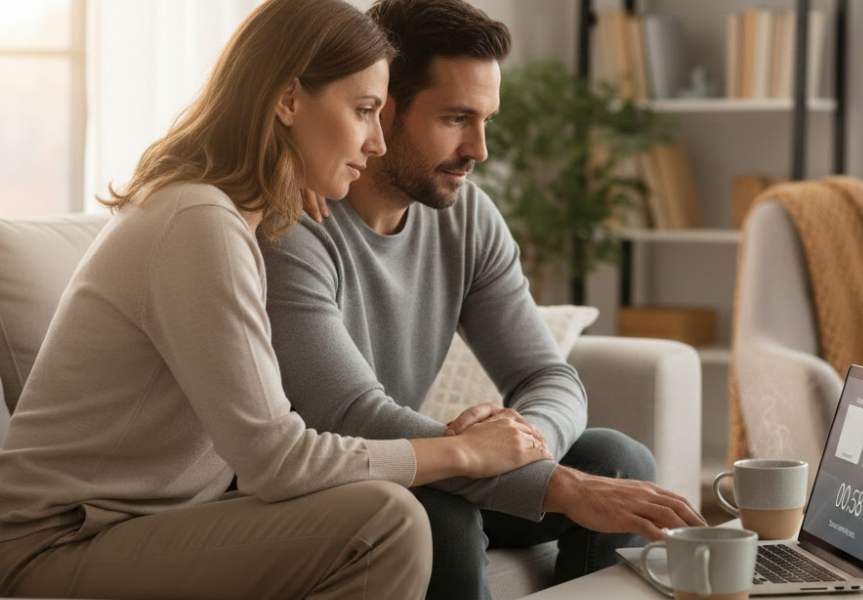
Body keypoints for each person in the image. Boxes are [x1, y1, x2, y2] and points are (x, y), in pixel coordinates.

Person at [0, 1, 551, 598]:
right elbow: (278, 460)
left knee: (393, 509)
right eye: (364, 110)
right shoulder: (197, 221)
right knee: (384, 522)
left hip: (150, 523)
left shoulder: (231, 215)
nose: (376, 142)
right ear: (289, 101)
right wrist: (465, 452)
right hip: (57, 542)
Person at [260, 1, 705, 598]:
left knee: (617, 460)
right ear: (381, 107)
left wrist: (523, 441)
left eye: (486, 120)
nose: (480, 149)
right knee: (439, 516)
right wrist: (525, 473)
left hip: (427, 464)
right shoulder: (293, 221)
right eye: (456, 118)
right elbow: (348, 416)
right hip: (332, 483)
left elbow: (548, 375)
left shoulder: (466, 218)